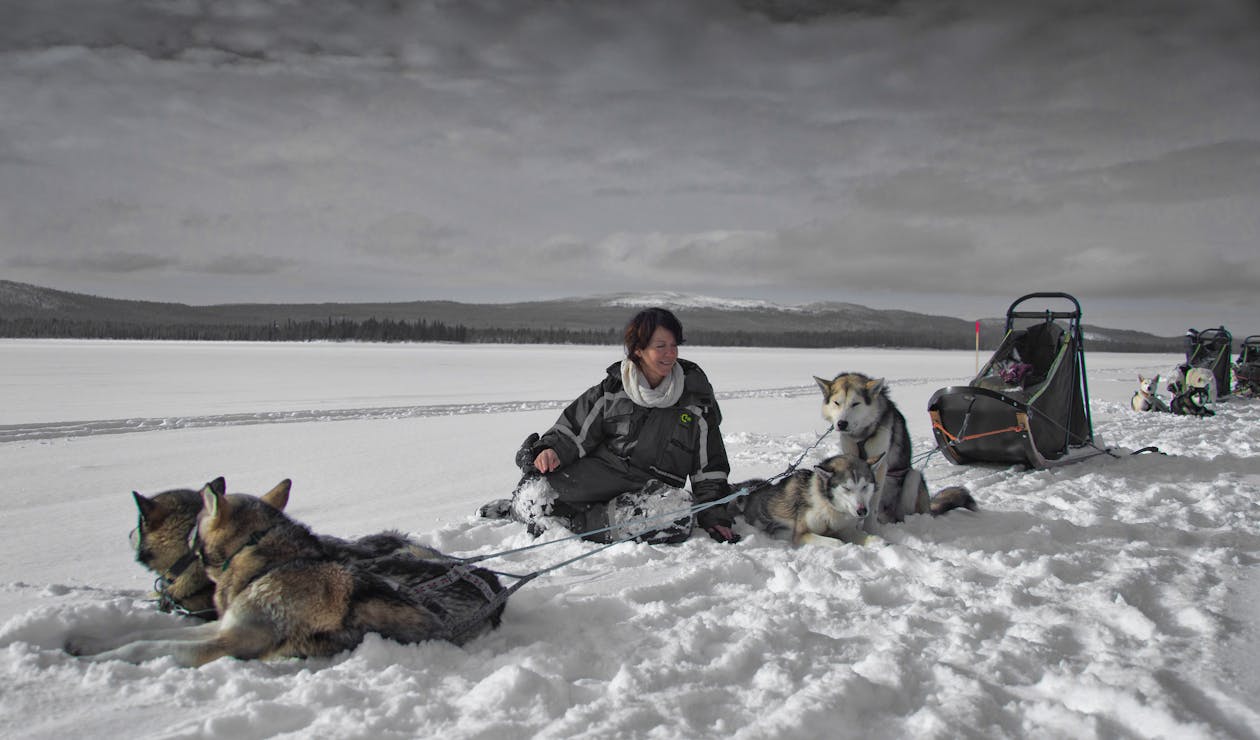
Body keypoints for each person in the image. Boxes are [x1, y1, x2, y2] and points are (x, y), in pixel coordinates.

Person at [479, 307, 740, 544]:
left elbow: (709, 468)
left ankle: (571, 524)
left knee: (678, 515)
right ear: (638, 349)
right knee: (536, 494)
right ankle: (517, 508)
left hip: (651, 491)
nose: (670, 353)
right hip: (601, 475)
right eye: (660, 346)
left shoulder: (696, 399)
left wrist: (715, 516)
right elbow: (573, 430)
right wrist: (551, 449)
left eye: (673, 345)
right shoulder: (613, 389)